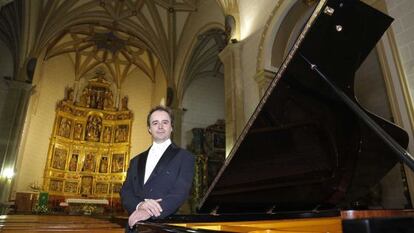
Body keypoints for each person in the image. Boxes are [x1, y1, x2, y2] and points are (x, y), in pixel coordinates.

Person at [120, 105, 195, 231]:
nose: (160, 126)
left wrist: (150, 211)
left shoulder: (185, 157)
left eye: (165, 122)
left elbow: (180, 192)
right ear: (149, 129)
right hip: (134, 225)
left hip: (164, 225)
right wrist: (140, 205)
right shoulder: (135, 161)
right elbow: (125, 191)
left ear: (172, 127)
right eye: (155, 123)